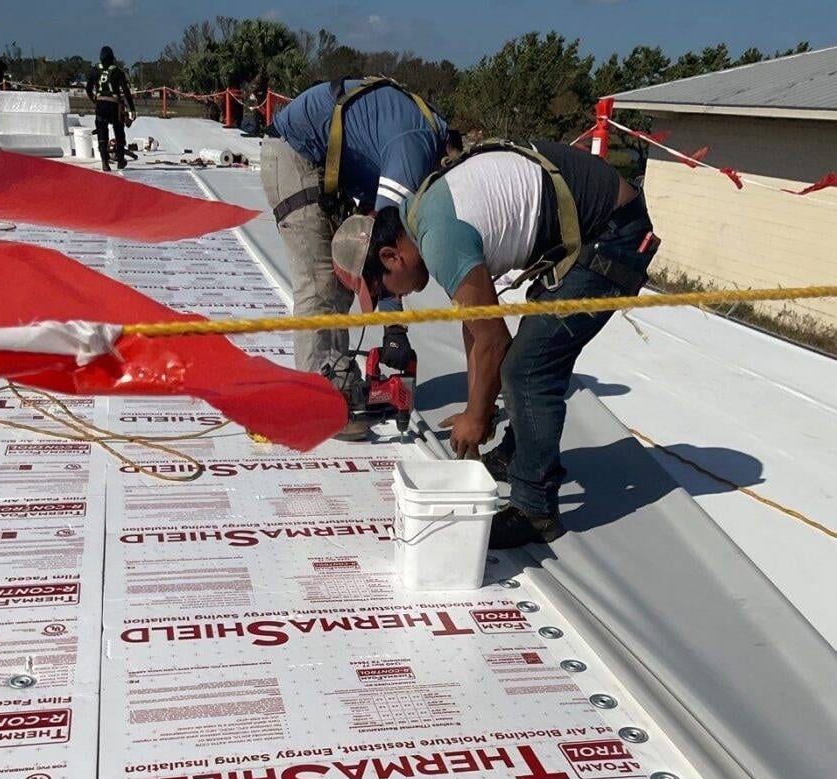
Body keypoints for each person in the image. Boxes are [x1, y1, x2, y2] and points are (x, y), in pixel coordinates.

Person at [331, 140, 658, 547]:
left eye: (380, 290)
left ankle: (534, 509)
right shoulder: (421, 214)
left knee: (527, 366)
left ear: (390, 256)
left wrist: (478, 416)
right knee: (532, 353)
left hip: (614, 236)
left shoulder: (439, 238)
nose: (391, 299)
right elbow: (476, 324)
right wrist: (474, 408)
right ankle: (518, 457)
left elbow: (493, 341)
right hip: (596, 227)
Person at [261, 77, 459, 439]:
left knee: (341, 283)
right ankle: (317, 405)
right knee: (320, 284)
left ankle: (335, 380)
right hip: (294, 154)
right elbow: (386, 248)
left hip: (323, 164)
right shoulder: (415, 148)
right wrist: (395, 328)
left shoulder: (417, 143)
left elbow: (378, 241)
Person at [86, 46, 135, 172]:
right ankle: (120, 160)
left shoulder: (94, 71)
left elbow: (88, 89)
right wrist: (132, 109)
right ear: (113, 58)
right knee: (119, 131)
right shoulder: (117, 72)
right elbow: (126, 91)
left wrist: (94, 100)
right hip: (114, 105)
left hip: (101, 105)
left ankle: (104, 161)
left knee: (102, 133)